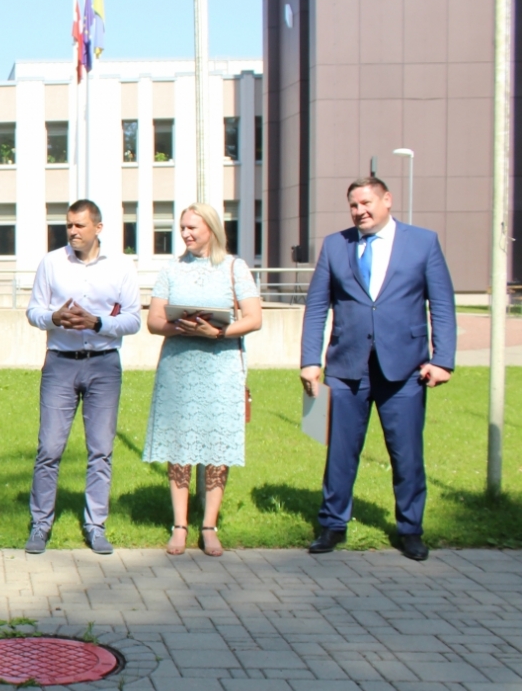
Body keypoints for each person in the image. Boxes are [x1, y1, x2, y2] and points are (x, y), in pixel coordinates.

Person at [301, 176, 456, 562]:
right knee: (339, 451)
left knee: (406, 455)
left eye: (367, 203)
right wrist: (309, 360)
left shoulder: (423, 242)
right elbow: (318, 305)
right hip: (345, 367)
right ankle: (333, 524)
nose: (360, 211)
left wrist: (443, 360)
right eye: (354, 205)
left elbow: (442, 305)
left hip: (405, 370)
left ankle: (410, 529)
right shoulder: (336, 245)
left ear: (387, 200)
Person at [142, 203, 264, 557]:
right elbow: (153, 321)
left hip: (221, 368)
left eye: (193, 228)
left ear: (212, 228)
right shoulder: (171, 270)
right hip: (179, 368)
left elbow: (254, 318)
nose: (186, 234)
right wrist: (182, 325)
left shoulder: (234, 268)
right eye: (182, 228)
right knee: (179, 446)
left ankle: (209, 525)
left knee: (216, 446)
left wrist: (218, 332)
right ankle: (179, 524)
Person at [24, 200, 142, 555]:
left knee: (101, 450)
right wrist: (54, 318)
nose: (73, 232)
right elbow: (33, 311)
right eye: (69, 226)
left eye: (80, 226)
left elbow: (134, 319)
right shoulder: (51, 263)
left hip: (104, 364)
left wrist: (97, 323)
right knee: (49, 448)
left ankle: (95, 526)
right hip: (60, 362)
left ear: (98, 228)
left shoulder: (120, 267)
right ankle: (40, 525)